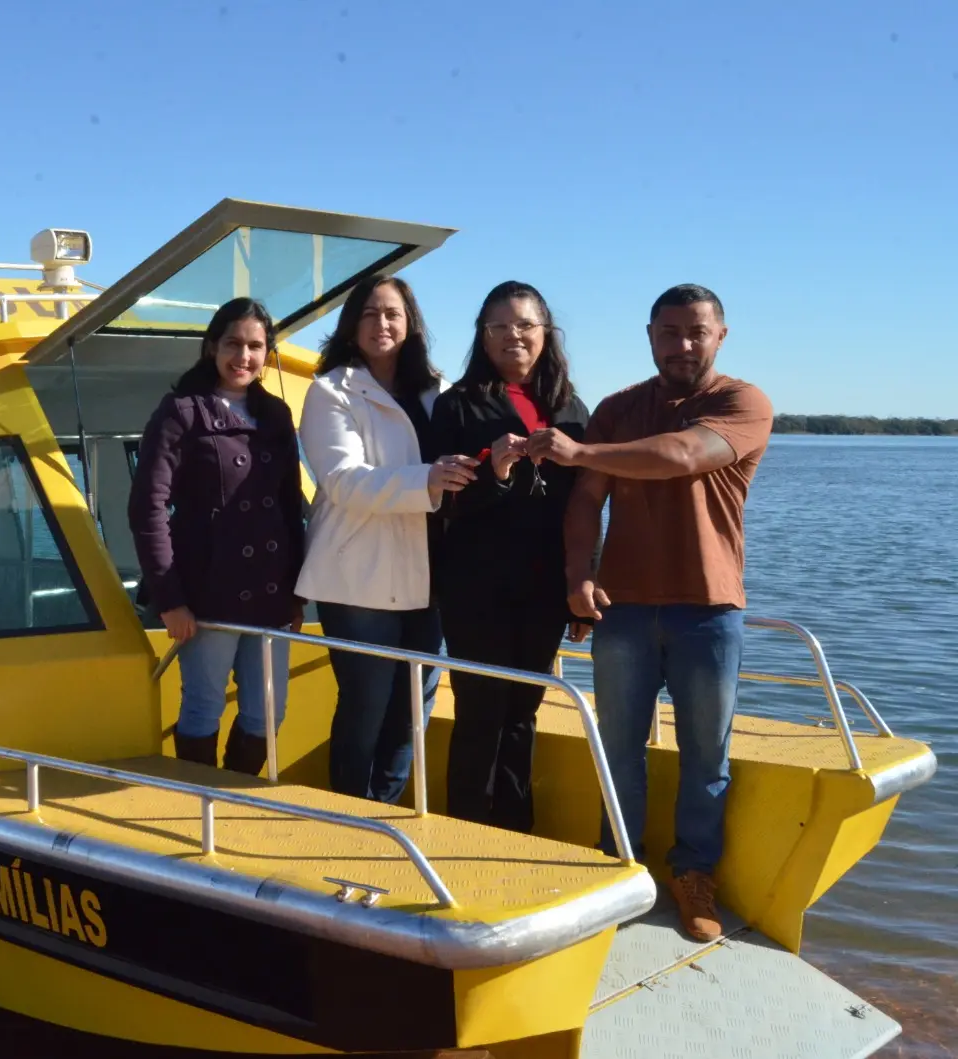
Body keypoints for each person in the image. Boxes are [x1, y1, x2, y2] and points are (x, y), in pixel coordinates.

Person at [526, 283, 773, 943]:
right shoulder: (617, 409)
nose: (683, 344)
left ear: (721, 336)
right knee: (618, 748)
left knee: (707, 754)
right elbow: (586, 501)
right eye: (669, 332)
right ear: (650, 336)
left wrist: (578, 451)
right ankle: (619, 867)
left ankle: (694, 875)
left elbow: (683, 455)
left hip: (710, 611)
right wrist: (578, 575)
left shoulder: (742, 402)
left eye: (697, 331)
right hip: (624, 610)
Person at [296, 274, 479, 802]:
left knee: (411, 715)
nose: (382, 323)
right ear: (351, 325)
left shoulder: (438, 390)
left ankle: (385, 812)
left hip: (429, 576)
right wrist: (429, 479)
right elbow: (342, 480)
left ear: (410, 323)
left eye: (393, 313)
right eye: (370, 313)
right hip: (359, 578)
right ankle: (349, 818)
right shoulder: (329, 391)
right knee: (365, 709)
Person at [430, 281, 590, 833]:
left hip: (543, 588)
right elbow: (441, 504)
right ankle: (464, 831)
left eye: (524, 324)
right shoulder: (456, 405)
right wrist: (494, 473)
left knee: (524, 711)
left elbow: (584, 505)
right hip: (476, 588)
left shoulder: (570, 406)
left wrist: (580, 585)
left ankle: (516, 831)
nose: (512, 335)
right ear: (482, 336)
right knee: (480, 712)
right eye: (498, 326)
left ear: (546, 332)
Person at [129, 297, 307, 775]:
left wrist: (296, 594)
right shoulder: (181, 412)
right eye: (233, 344)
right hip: (208, 595)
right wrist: (170, 599)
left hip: (270, 596)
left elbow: (291, 508)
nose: (243, 356)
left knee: (267, 714)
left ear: (267, 353)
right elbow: (147, 508)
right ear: (212, 347)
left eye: (255, 346)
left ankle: (233, 795)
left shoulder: (276, 415)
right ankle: (200, 803)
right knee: (204, 708)